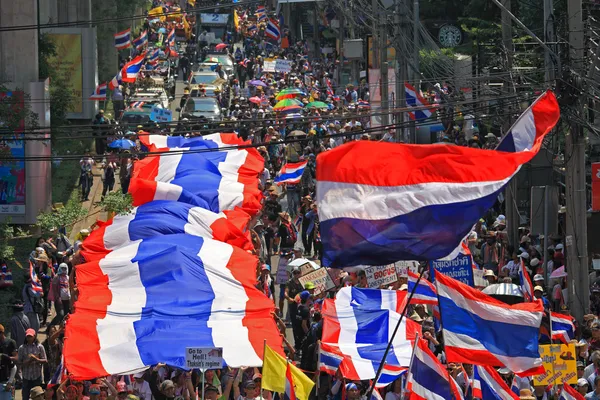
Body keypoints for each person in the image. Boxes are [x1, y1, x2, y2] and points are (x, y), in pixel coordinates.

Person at [18, 329, 46, 400]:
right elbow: (19, 363)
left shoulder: (40, 347)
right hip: (26, 377)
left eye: (30, 336)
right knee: (25, 396)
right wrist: (29, 361)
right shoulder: (22, 348)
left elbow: (45, 360)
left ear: (34, 336)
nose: (29, 338)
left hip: (36, 376)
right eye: (28, 337)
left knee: (37, 397)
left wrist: (36, 359)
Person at [0, 324, 17, 400]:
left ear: (1, 333)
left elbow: (16, 359)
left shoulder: (10, 342)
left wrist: (6, 357)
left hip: (6, 381)